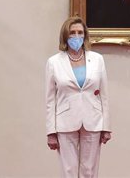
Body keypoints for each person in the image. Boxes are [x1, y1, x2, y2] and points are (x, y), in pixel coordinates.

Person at [45, 17, 112, 177]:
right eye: (72, 33)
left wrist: (106, 126)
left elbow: (104, 95)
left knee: (89, 170)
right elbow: (50, 100)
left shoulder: (97, 59)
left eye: (80, 33)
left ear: (85, 35)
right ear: (65, 36)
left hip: (93, 120)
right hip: (65, 122)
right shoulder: (54, 62)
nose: (76, 37)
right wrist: (50, 132)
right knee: (69, 170)